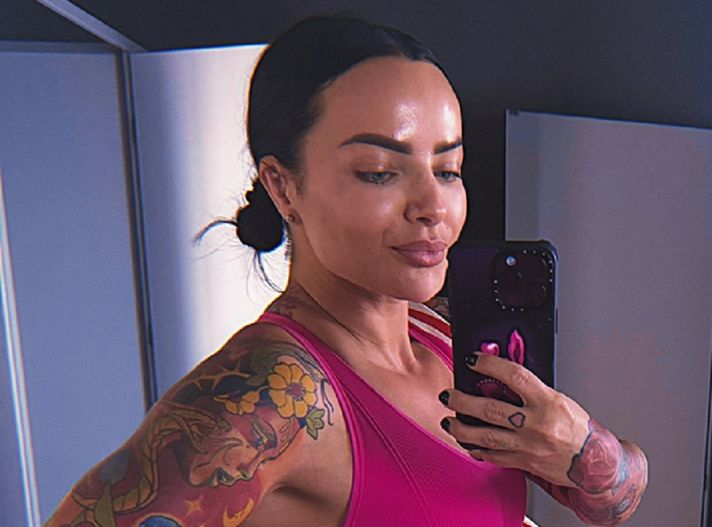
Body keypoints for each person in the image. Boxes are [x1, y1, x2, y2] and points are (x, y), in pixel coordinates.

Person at [47, 15, 647, 527]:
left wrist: (578, 450)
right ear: (284, 186)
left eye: (448, 170)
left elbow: (615, 501)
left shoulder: (442, 335)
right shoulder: (270, 396)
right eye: (379, 172)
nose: (433, 206)